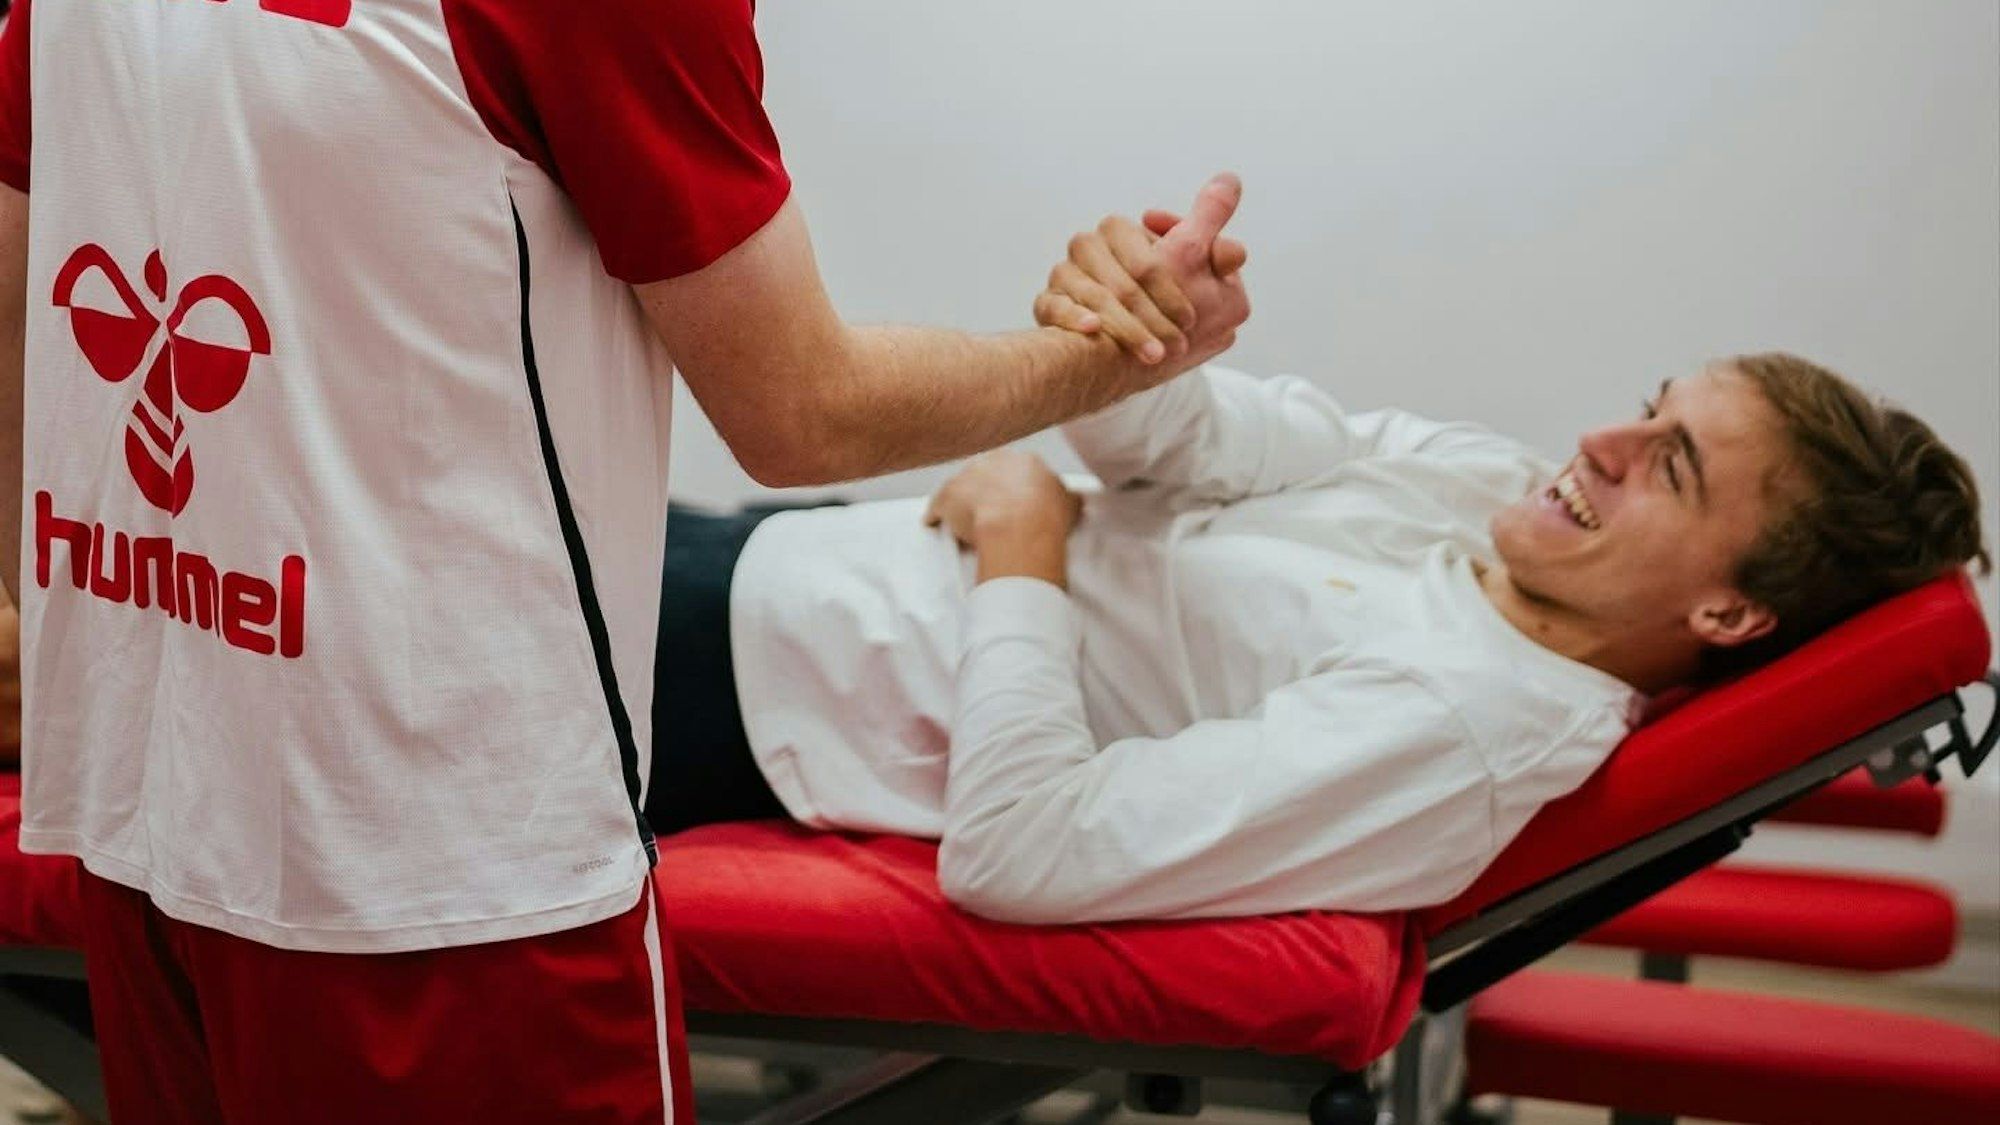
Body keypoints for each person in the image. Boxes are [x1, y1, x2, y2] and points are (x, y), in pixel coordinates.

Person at [0, 2, 1247, 1122]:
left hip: (148, 792)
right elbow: (801, 414)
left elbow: (19, 291)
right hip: (448, 876)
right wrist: (1119, 352)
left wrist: (76, 626)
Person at [645, 225, 1988, 924]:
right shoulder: (1485, 492)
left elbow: (1027, 854)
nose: (1601, 440)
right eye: (1647, 404)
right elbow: (1186, 448)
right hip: (790, 553)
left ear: (1730, 613)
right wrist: (1154, 345)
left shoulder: (1466, 731)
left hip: (743, 692)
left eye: (1672, 462)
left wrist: (1025, 549)